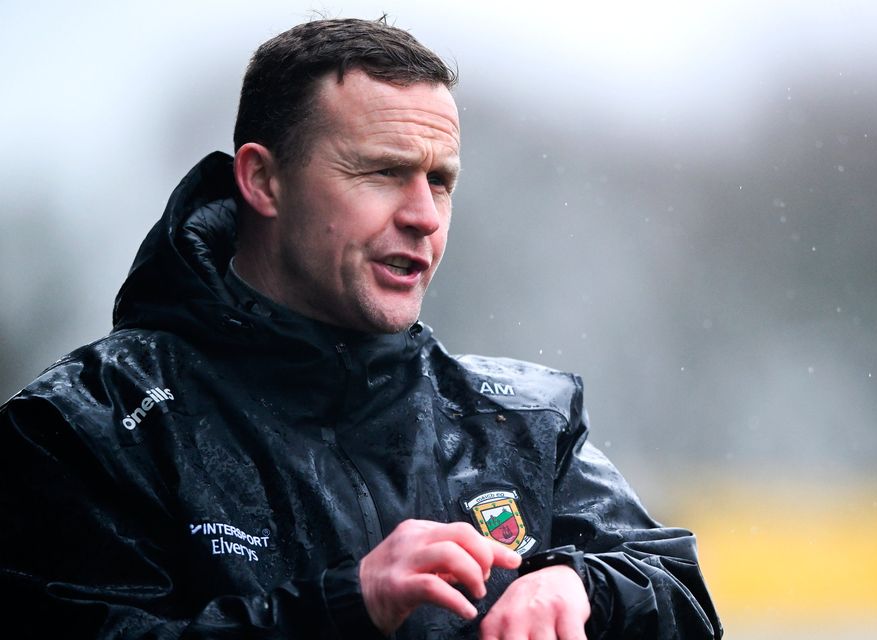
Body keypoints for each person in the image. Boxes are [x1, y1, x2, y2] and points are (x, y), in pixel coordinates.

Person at [0, 17, 722, 640]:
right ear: (262, 181)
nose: (424, 216)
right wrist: (348, 606)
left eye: (440, 181)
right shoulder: (87, 429)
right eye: (383, 172)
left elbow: (680, 595)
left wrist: (577, 586)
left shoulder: (523, 422)